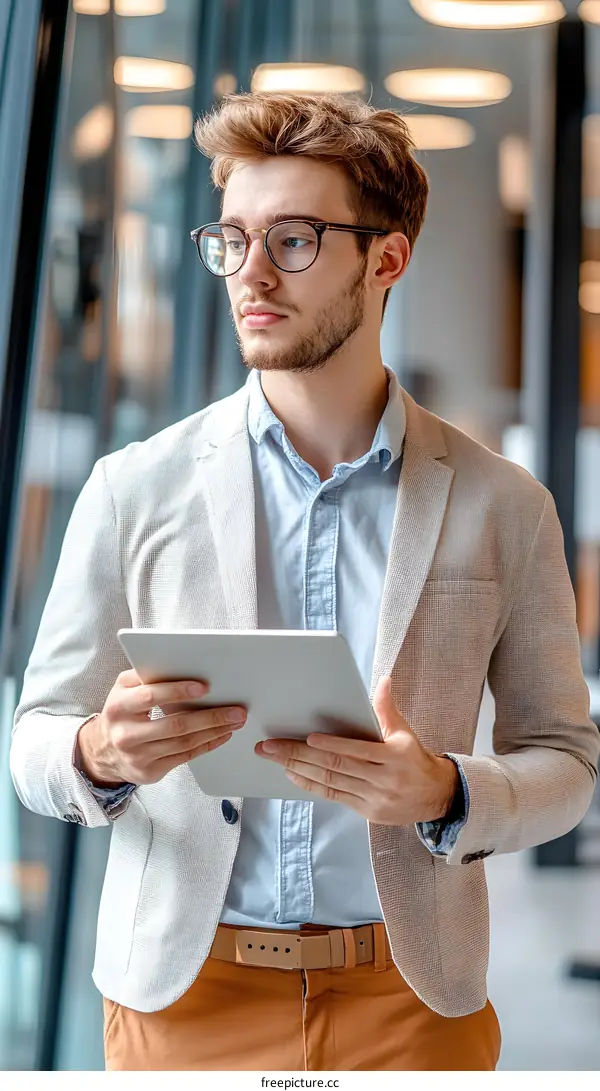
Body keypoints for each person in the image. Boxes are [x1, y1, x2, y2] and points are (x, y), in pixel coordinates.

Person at [10, 92, 599, 1073]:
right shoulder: (134, 486)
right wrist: (99, 750)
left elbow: (567, 760)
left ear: (386, 259)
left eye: (292, 240)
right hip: (184, 995)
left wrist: (450, 788)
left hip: (412, 998)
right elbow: (30, 741)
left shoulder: (505, 503)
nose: (249, 273)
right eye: (231, 239)